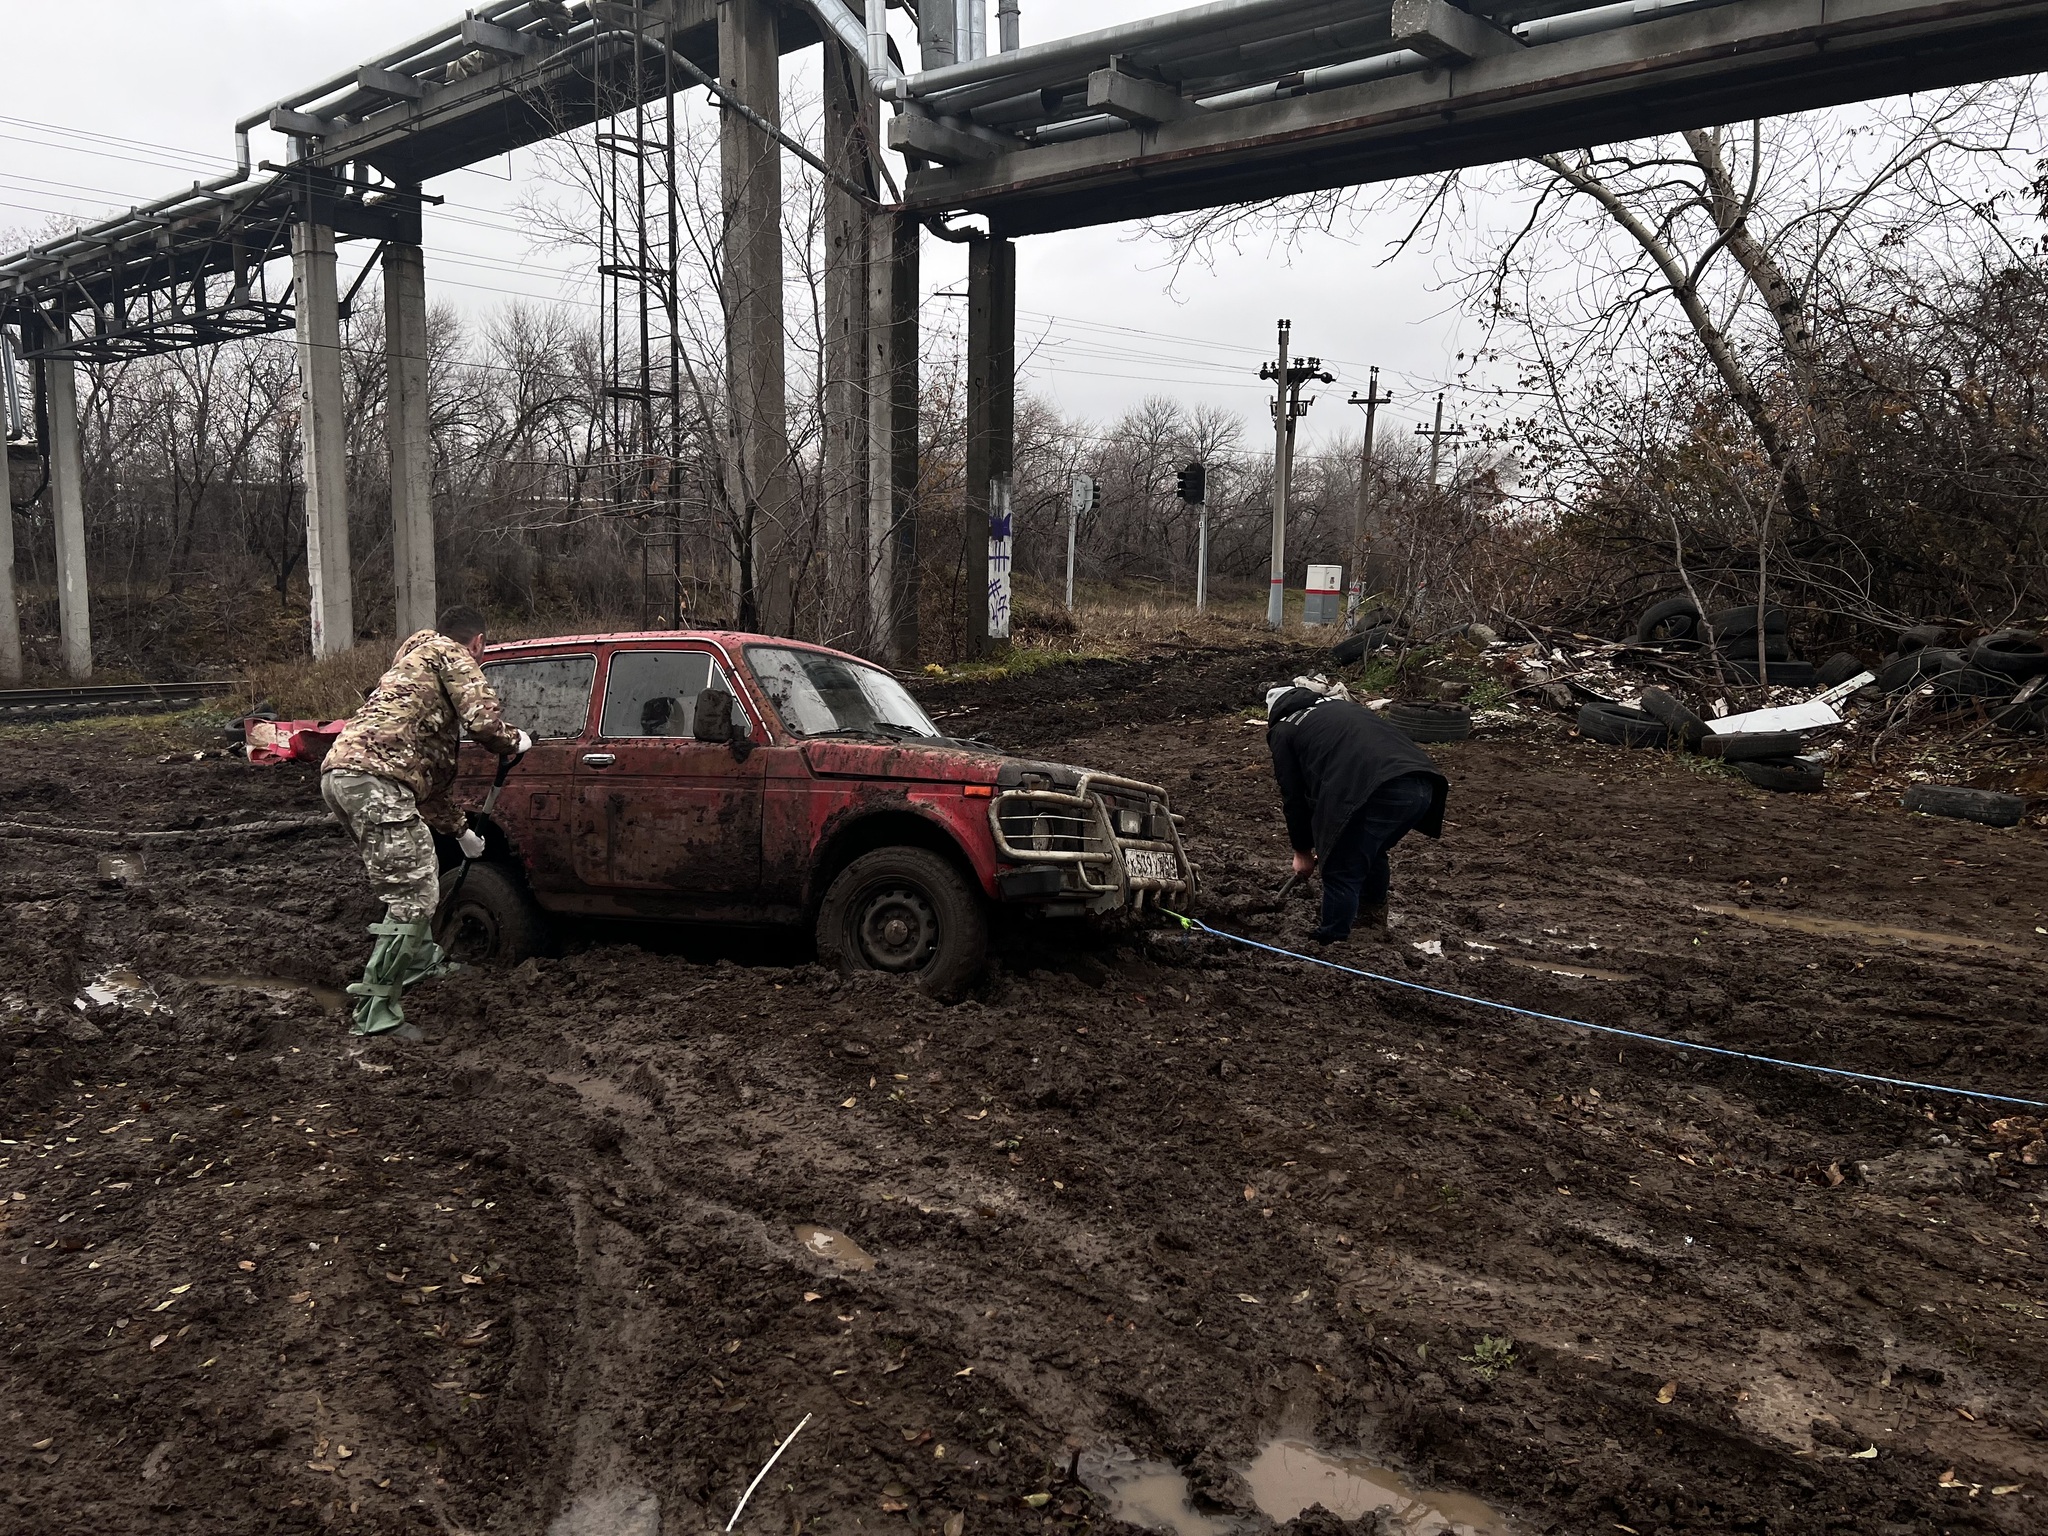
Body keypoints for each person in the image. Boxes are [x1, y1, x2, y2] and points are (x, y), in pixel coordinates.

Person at [321, 606, 530, 1038]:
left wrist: (461, 831)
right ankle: (376, 1011)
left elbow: (427, 780)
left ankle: (419, 962)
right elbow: (483, 723)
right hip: (378, 782)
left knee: (418, 875)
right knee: (414, 895)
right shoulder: (453, 656)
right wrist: (515, 740)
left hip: (345, 777)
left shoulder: (412, 673)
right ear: (478, 643)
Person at [1266, 677, 1448, 943]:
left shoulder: (1285, 729)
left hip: (1375, 788)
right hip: (1422, 787)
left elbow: (1293, 796)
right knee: (1369, 850)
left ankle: (1332, 941)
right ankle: (1372, 918)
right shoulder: (1343, 709)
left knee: (1340, 867)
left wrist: (1302, 852)